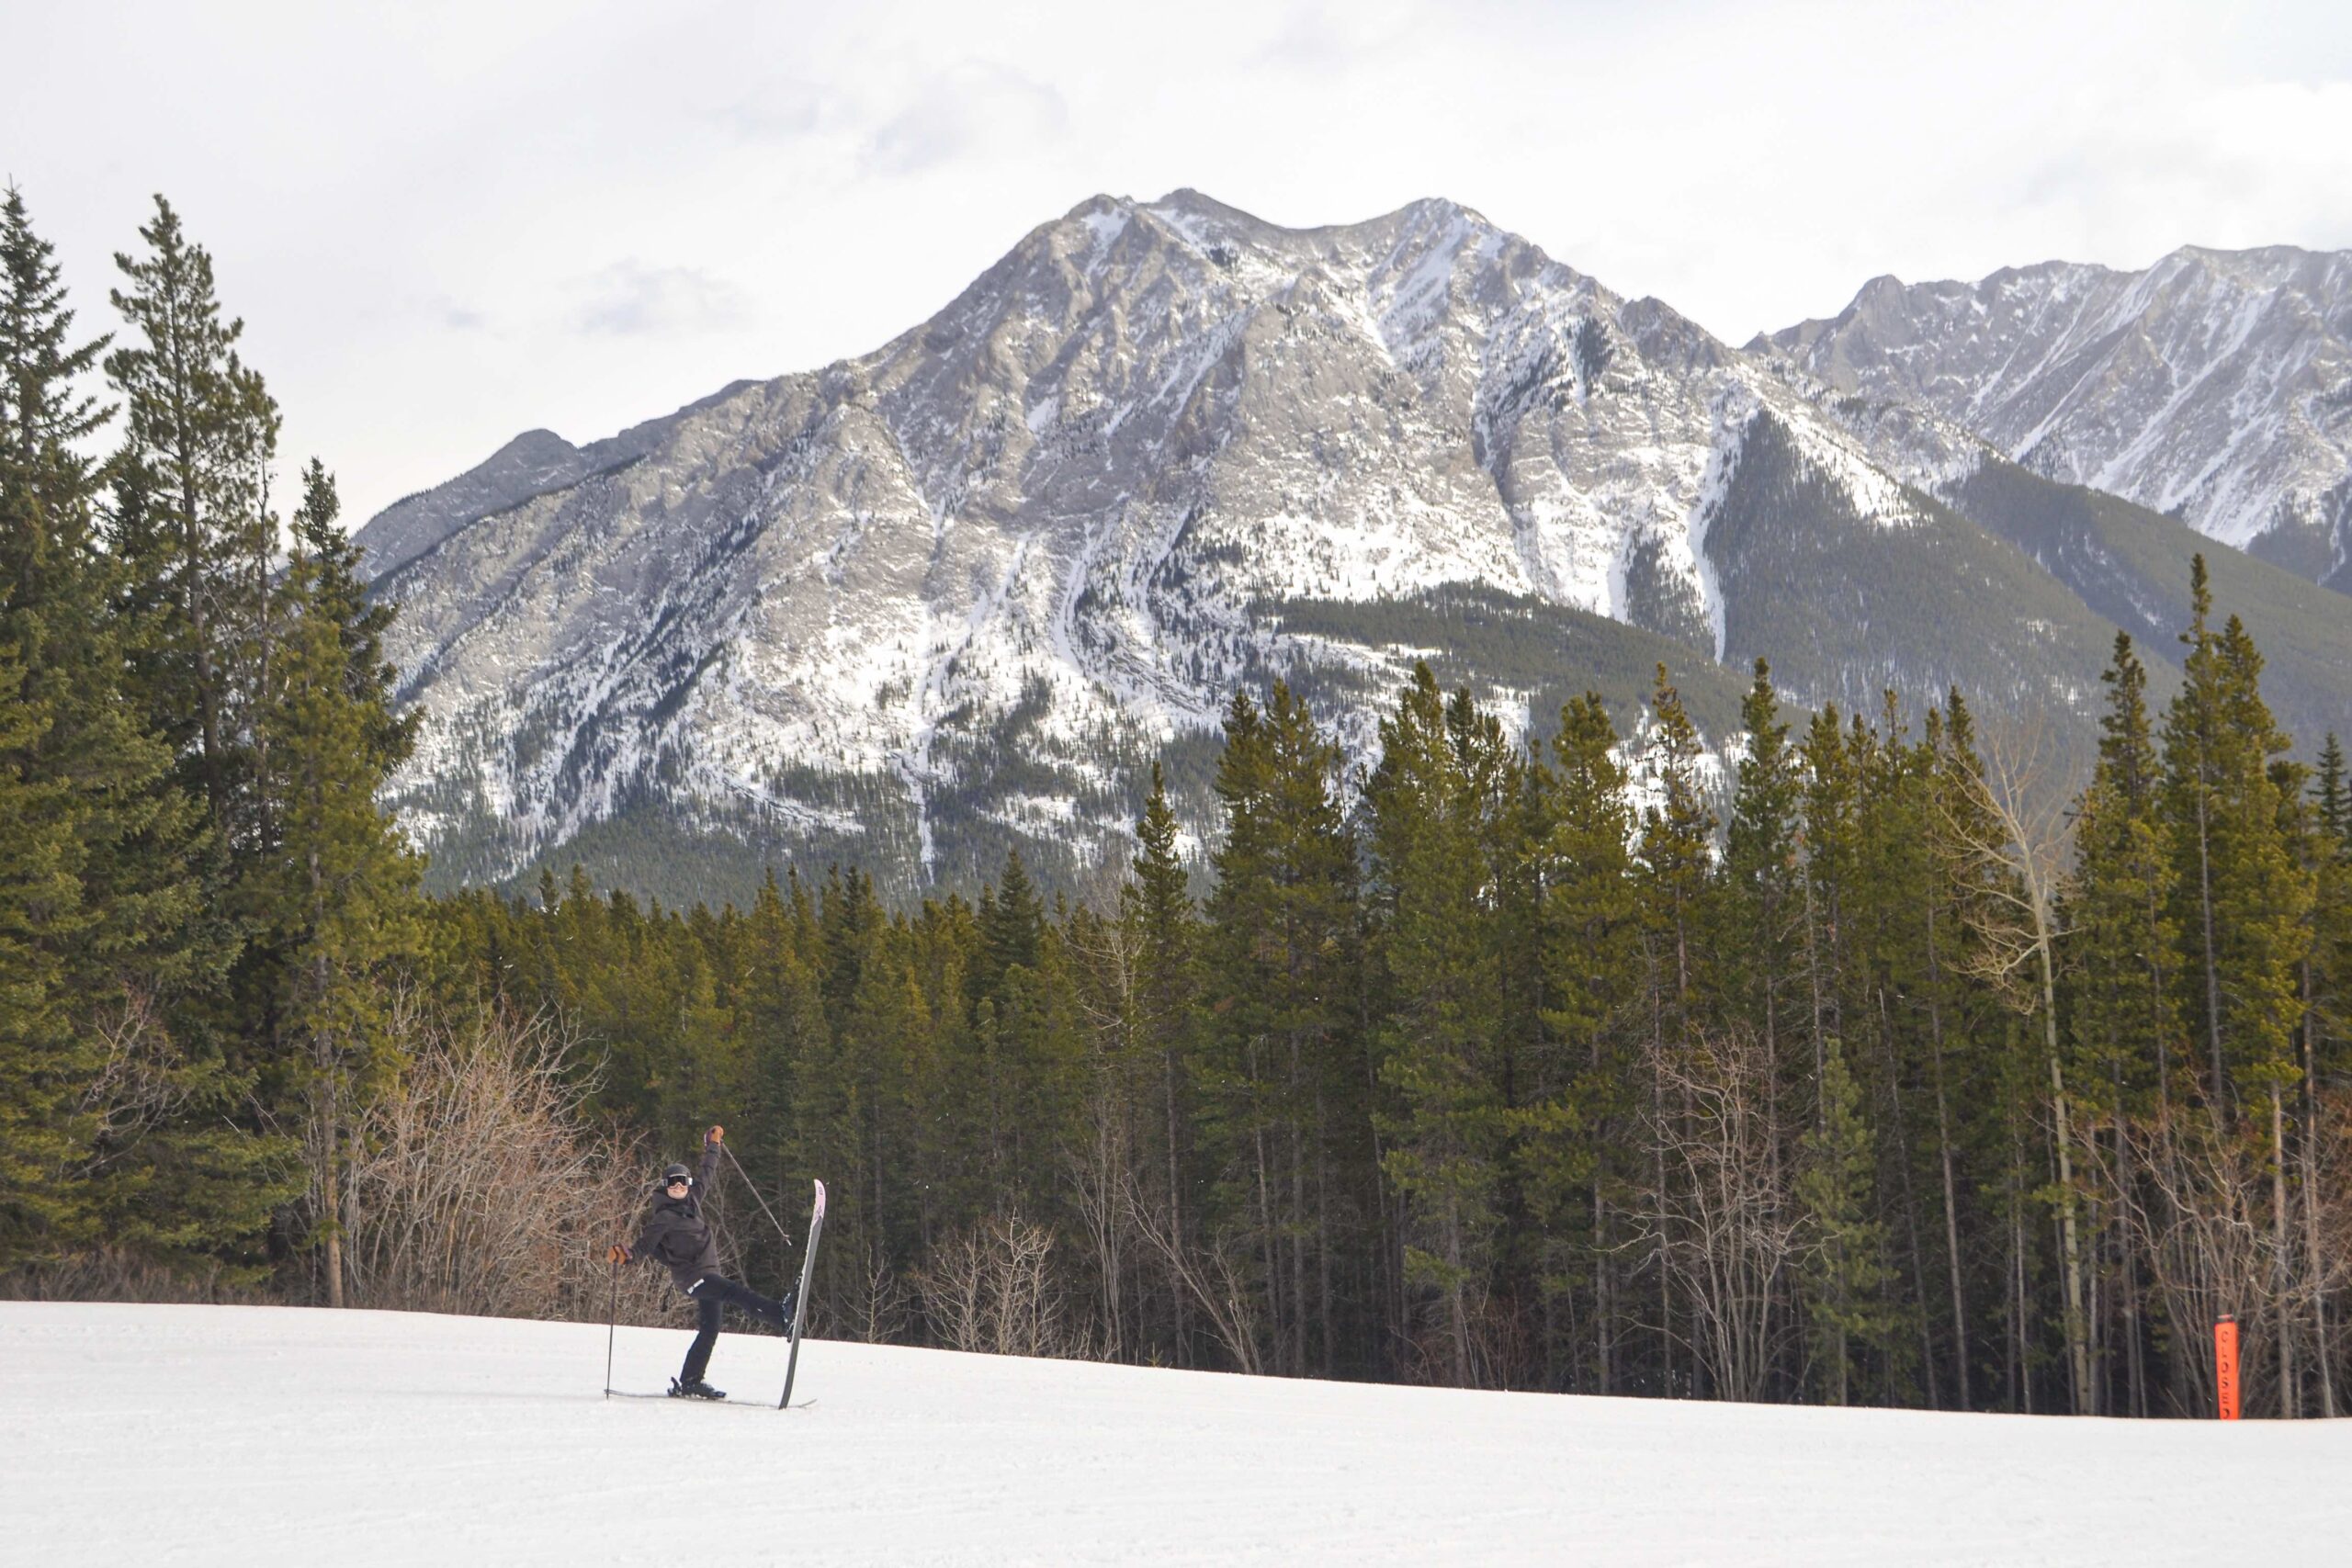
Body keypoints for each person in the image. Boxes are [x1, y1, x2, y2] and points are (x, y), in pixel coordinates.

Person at [608, 1124, 793, 1400]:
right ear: (666, 1187)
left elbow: (707, 1172)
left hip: (708, 1272)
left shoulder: (693, 1201)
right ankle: (780, 1316)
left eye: (683, 1181)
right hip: (692, 1278)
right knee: (736, 1293)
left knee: (710, 1328)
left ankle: (691, 1380)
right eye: (673, 1182)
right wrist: (626, 1256)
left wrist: (713, 1145)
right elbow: (643, 1248)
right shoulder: (663, 1218)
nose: (679, 1186)